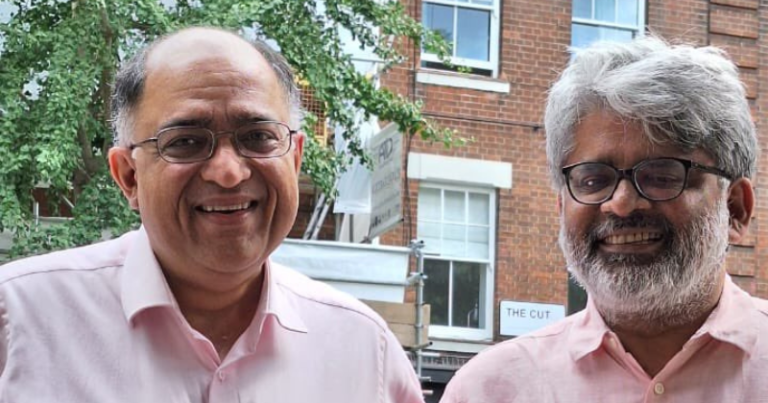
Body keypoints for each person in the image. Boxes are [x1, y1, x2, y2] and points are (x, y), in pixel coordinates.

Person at [0, 27, 423, 402]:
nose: (228, 172)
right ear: (128, 176)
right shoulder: (17, 321)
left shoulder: (367, 354)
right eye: (185, 141)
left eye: (258, 137)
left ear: (294, 161)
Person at [441, 36, 768, 402]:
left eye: (662, 175)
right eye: (593, 179)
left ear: (736, 209)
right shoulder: (489, 390)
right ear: (562, 208)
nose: (622, 203)